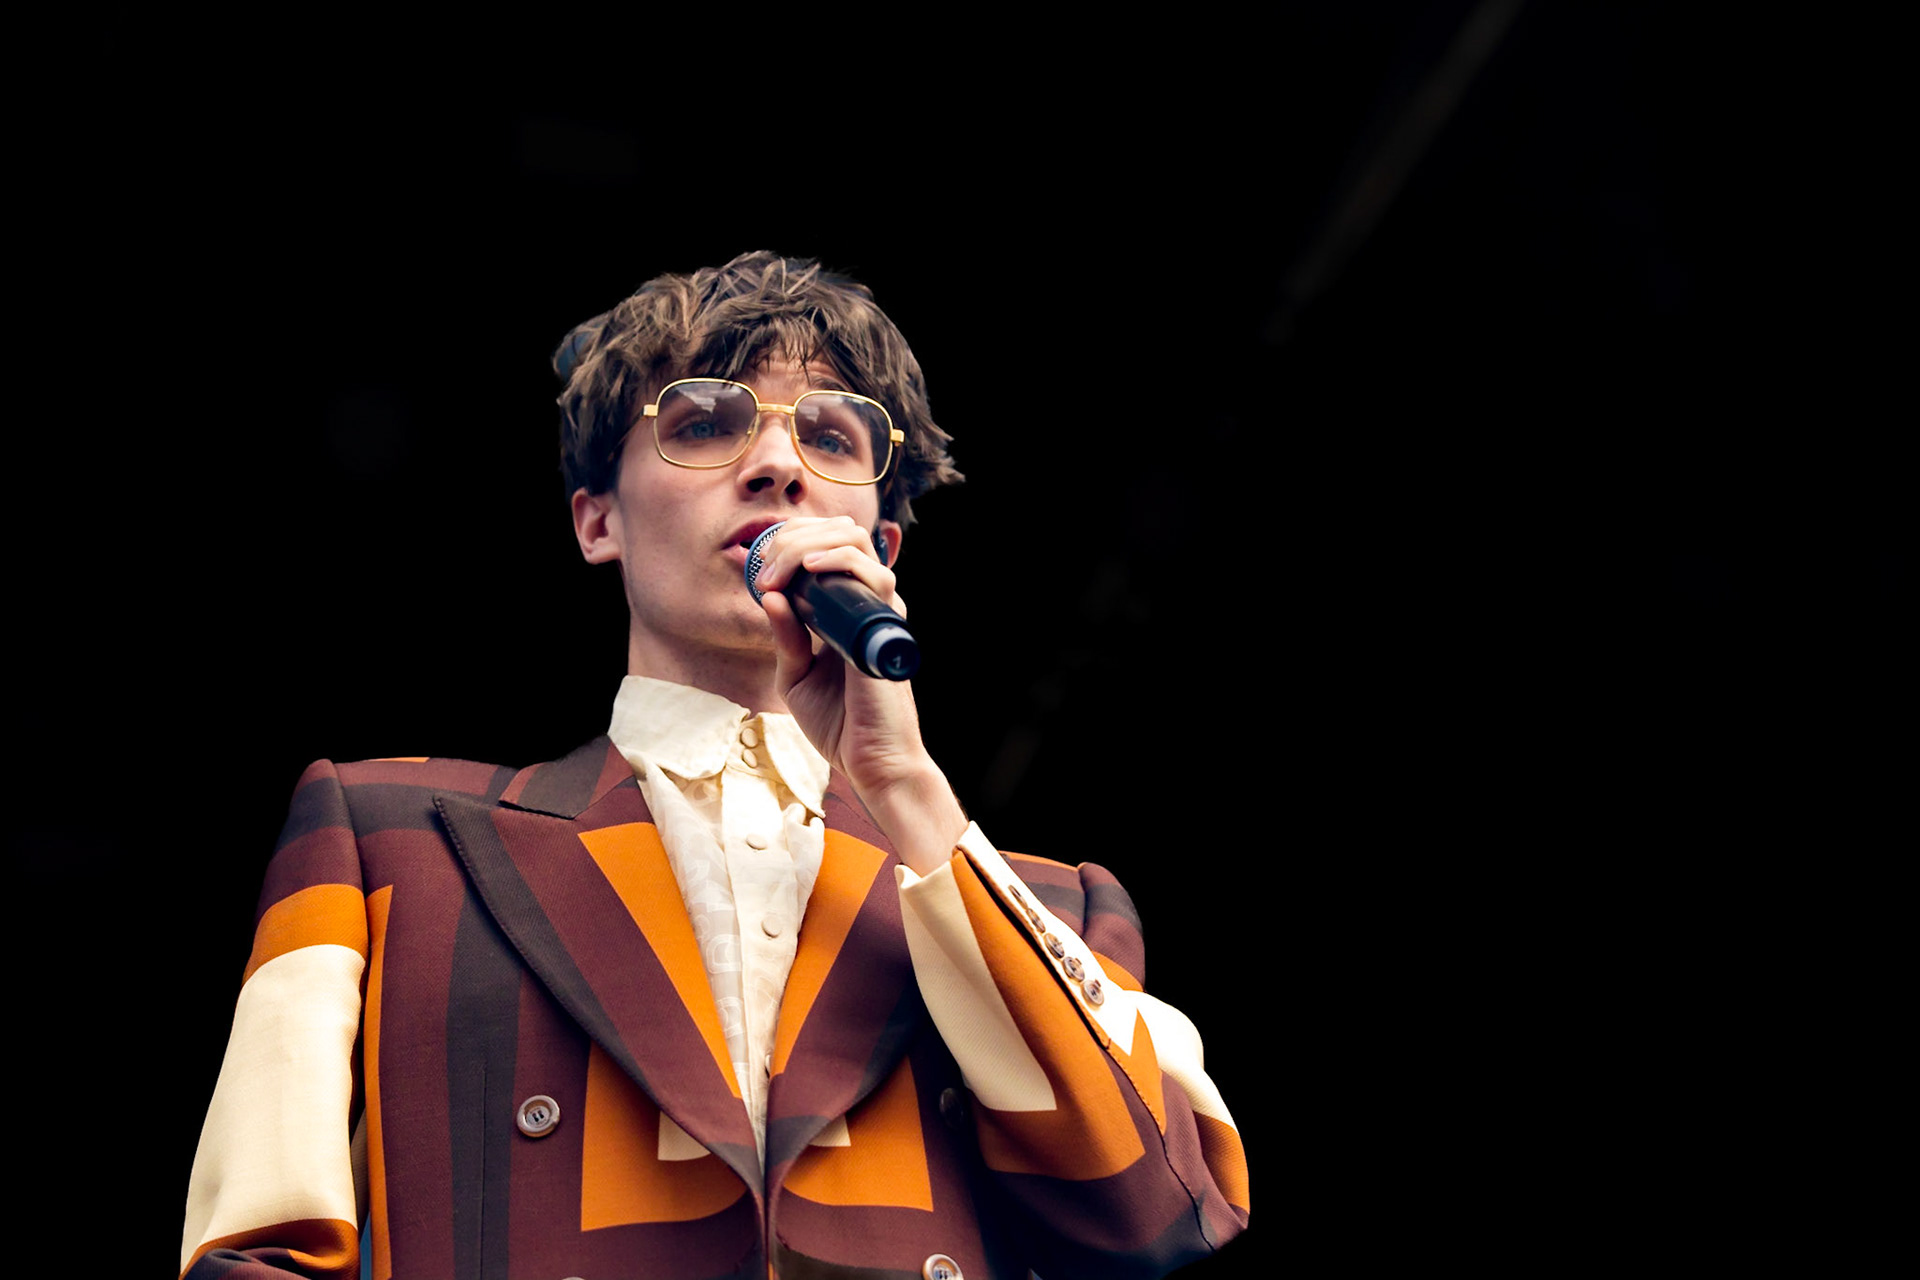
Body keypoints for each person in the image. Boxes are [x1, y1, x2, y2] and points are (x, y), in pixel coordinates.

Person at [180, 252, 1250, 1280]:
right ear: (597, 520)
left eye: (830, 436)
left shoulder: (1056, 907)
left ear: (883, 548)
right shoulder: (386, 842)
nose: (779, 464)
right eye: (703, 423)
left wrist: (911, 792)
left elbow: (1161, 1217)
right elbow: (256, 1248)